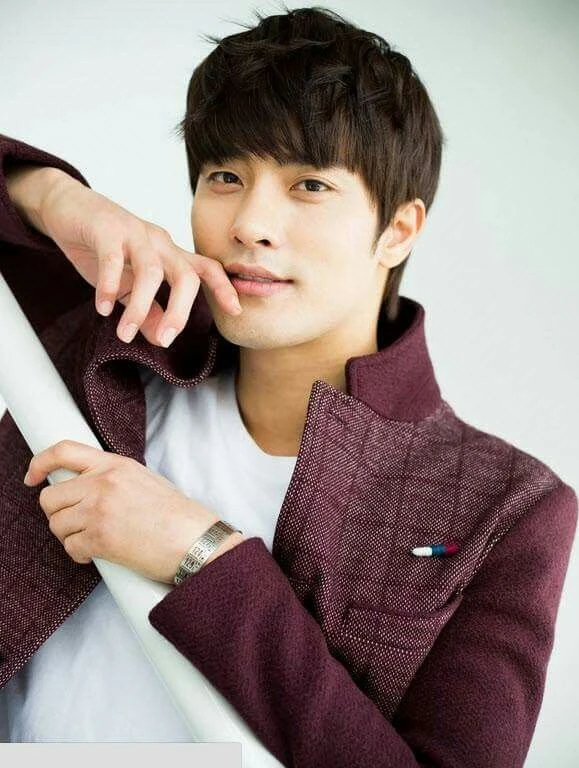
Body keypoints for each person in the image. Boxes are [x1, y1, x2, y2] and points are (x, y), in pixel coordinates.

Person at [0, 4, 576, 764]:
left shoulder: (507, 506)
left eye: (308, 185)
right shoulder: (110, 345)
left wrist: (199, 555)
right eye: (225, 176)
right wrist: (57, 198)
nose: (250, 223)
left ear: (398, 230)